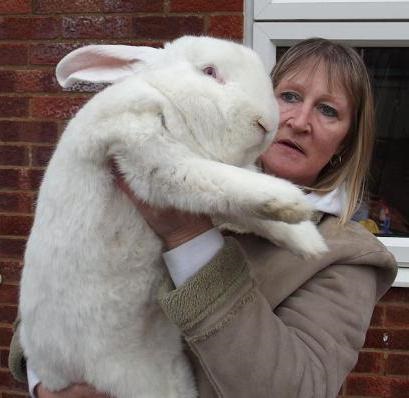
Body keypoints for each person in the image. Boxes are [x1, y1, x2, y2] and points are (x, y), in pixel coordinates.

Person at [8, 37, 397, 398]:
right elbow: (54, 281)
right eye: (288, 96)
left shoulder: (348, 255)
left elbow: (295, 388)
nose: (299, 121)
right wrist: (46, 382)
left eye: (328, 110)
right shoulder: (146, 162)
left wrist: (187, 234)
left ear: (345, 142)